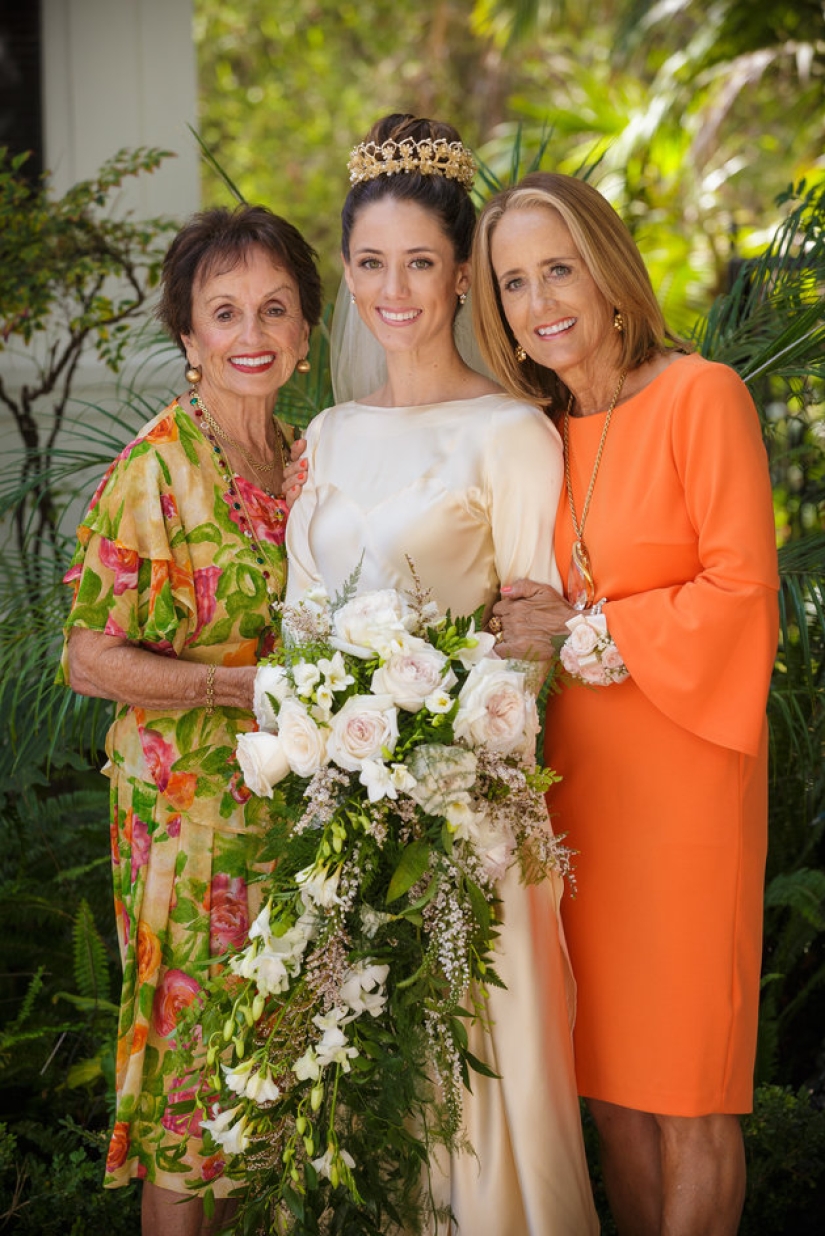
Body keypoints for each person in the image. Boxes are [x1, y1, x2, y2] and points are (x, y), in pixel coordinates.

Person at [284, 113, 599, 1235]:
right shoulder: (321, 432)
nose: (394, 289)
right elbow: (298, 633)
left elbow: (535, 639)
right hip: (335, 820)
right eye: (371, 264)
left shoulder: (513, 431)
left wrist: (438, 769)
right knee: (358, 1088)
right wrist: (318, 752)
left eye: (420, 262)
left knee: (469, 1091)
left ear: (463, 274)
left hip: (468, 821)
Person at [470, 171, 779, 1236]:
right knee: (606, 1082)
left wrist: (583, 631)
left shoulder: (704, 395)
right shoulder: (533, 436)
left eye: (558, 267)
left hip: (691, 767)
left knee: (686, 1086)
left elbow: (742, 593)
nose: (540, 300)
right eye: (513, 282)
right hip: (578, 786)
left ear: (608, 271)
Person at [59, 204, 322, 1236]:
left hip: (289, 815)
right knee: (194, 1079)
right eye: (225, 313)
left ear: (304, 335)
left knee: (268, 1080)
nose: (250, 333)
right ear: (189, 339)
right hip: (189, 825)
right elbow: (87, 657)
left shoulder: (302, 462)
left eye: (274, 308)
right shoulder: (158, 469)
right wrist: (236, 688)